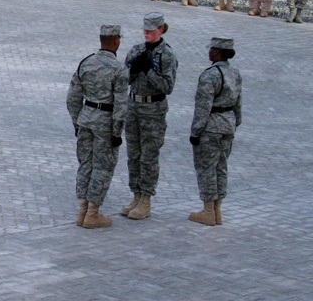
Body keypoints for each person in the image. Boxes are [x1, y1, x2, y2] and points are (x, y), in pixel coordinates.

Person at [66, 24, 128, 228]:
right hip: (106, 122)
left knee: (86, 164)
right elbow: (120, 103)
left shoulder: (86, 63)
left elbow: (73, 97)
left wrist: (77, 120)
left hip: (86, 119)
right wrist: (117, 131)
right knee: (103, 167)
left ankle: (82, 210)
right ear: (116, 41)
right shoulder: (119, 69)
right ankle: (93, 213)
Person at [121, 13, 177, 221]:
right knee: (134, 154)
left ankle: (146, 198)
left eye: (151, 30)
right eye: (145, 29)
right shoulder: (137, 49)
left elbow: (168, 87)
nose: (147, 33)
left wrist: (150, 71)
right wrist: (134, 69)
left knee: (149, 156)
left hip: (153, 110)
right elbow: (122, 79)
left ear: (161, 30)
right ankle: (136, 195)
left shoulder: (167, 55)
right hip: (134, 106)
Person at [188, 37, 242, 226]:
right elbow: (238, 104)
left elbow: (203, 107)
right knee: (221, 167)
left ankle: (208, 210)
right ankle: (218, 210)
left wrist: (195, 132)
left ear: (218, 52)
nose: (209, 52)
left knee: (206, 168)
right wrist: (235, 123)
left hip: (211, 127)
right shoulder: (234, 73)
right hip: (228, 124)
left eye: (211, 49)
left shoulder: (210, 75)